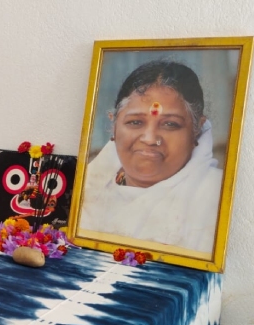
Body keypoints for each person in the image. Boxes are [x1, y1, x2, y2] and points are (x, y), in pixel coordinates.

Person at [79, 60, 222, 253]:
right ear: (113, 124)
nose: (149, 139)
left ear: (196, 129)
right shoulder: (86, 189)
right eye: (135, 122)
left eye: (170, 124)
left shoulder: (216, 197)